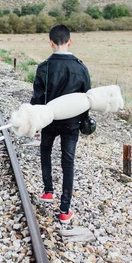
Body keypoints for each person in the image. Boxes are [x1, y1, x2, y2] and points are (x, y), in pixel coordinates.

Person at [30, 24, 91, 224]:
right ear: (70, 41)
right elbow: (87, 99)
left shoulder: (44, 67)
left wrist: (36, 123)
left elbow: (37, 99)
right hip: (72, 124)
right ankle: (65, 210)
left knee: (45, 151)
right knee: (68, 161)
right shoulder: (81, 67)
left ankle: (48, 191)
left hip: (49, 120)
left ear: (50, 43)